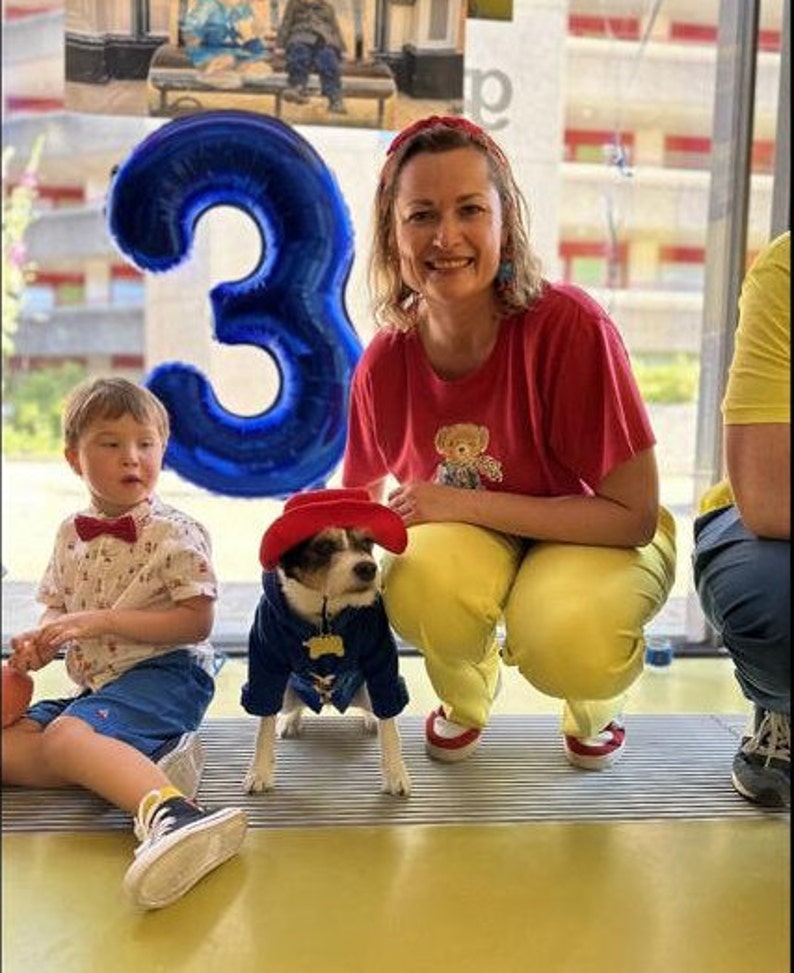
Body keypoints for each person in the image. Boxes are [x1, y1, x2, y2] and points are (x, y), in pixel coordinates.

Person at [342, 115, 677, 769]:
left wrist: (459, 503)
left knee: (567, 633)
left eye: (470, 209)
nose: (446, 237)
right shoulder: (385, 359)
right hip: (472, 537)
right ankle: (467, 698)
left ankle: (593, 707)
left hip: (593, 531)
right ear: (393, 233)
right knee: (416, 579)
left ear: (505, 222)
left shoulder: (572, 327)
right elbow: (357, 501)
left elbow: (632, 516)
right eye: (420, 215)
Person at [1, 377, 248, 909]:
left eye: (146, 443)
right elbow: (58, 606)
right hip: (103, 689)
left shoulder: (176, 531)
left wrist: (101, 621)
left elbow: (195, 624)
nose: (131, 457)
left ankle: (176, 814)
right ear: (74, 459)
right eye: (110, 444)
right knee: (11, 747)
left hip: (169, 675)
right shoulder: (70, 531)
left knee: (67, 737)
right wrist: (45, 639)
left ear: (163, 450)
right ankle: (142, 757)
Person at [692, 231, 790, 809]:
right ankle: (783, 705)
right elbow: (769, 494)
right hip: (772, 528)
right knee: (773, 609)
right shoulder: (785, 270)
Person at [182, 0, 273, 89]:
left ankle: (235, 74)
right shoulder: (208, 4)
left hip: (238, 54)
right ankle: (209, 74)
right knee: (227, 60)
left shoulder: (244, 8)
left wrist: (250, 35)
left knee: (262, 69)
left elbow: (251, 40)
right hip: (210, 53)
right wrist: (194, 38)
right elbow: (190, 30)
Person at [276, 0, 347, 114]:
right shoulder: (294, 5)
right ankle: (297, 86)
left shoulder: (327, 8)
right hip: (300, 36)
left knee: (328, 61)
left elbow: (335, 29)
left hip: (324, 40)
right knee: (299, 54)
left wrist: (342, 49)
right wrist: (280, 45)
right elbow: (286, 23)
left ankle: (334, 97)